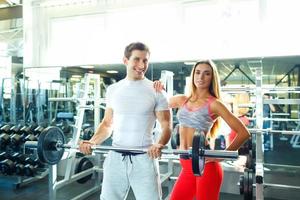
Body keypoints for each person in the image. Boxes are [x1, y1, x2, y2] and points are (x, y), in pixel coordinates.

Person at [79, 42, 172, 200]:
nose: (141, 65)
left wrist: (160, 143)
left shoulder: (156, 91)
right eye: (137, 59)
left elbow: (166, 125)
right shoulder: (113, 90)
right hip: (115, 157)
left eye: (145, 60)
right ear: (125, 60)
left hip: (144, 157)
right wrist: (92, 141)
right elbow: (108, 123)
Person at [154, 60, 250, 200]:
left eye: (206, 74)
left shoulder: (215, 104)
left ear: (212, 78)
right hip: (186, 165)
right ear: (193, 75)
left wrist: (221, 156)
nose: (201, 77)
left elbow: (244, 133)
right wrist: (159, 88)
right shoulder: (183, 100)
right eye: (197, 73)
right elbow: (160, 101)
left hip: (205, 166)